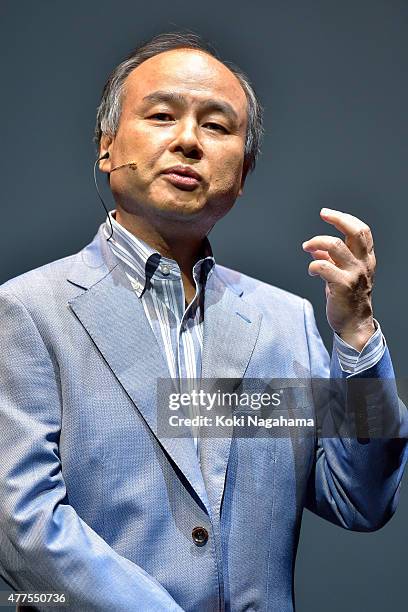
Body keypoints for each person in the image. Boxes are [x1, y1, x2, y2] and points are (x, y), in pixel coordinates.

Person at [0, 31, 406, 612]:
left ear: (242, 172)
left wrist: (358, 335)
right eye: (162, 115)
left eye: (217, 126)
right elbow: (23, 528)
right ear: (107, 146)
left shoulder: (284, 321)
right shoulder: (27, 311)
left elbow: (360, 498)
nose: (188, 141)